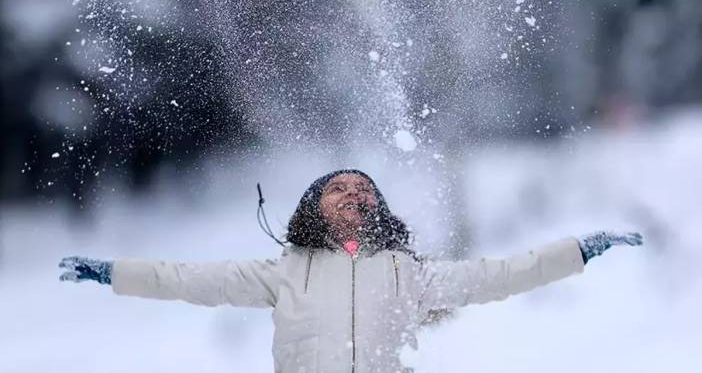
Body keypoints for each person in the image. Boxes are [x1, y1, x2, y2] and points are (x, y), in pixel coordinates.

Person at [59, 169, 643, 373]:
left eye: (364, 189)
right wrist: (112, 272)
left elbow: (501, 274)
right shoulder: (283, 272)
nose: (352, 195)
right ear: (313, 206)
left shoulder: (410, 274)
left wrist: (579, 251)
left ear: (380, 208)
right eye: (337, 188)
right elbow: (186, 278)